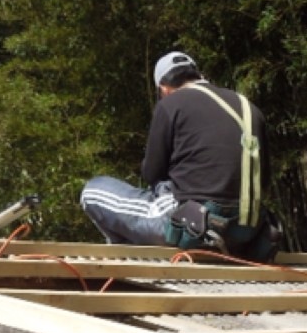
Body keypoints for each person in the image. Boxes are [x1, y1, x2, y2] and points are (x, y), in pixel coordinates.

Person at [80, 50, 276, 260]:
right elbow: (263, 180)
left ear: (163, 89)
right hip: (247, 233)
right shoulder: (249, 108)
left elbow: (152, 172)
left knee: (92, 192)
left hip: (193, 227)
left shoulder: (171, 104)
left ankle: (132, 254)